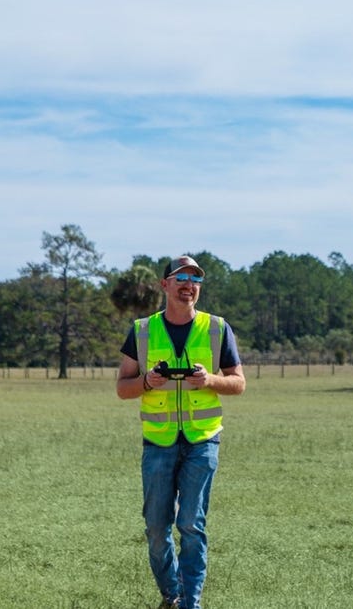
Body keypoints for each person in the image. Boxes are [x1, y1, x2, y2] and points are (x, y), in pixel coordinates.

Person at [116, 255, 246, 609]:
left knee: (190, 524)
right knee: (157, 531)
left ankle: (191, 603)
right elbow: (122, 388)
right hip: (158, 443)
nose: (189, 284)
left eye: (196, 279)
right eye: (181, 277)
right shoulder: (142, 330)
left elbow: (238, 383)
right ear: (165, 285)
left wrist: (211, 380)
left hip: (203, 440)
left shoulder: (218, 328)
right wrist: (146, 381)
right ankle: (170, 594)